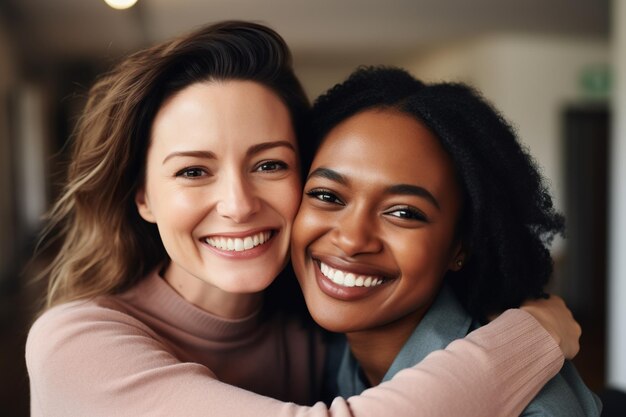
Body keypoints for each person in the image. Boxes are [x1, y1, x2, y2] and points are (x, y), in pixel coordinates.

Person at [26, 21, 577, 417]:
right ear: (142, 196)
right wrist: (533, 335)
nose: (238, 204)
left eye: (269, 164)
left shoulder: (317, 330)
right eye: (194, 172)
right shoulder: (76, 344)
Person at [292, 66, 601, 415]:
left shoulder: (536, 408)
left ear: (460, 246)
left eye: (404, 213)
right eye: (327, 196)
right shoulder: (326, 353)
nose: (351, 239)